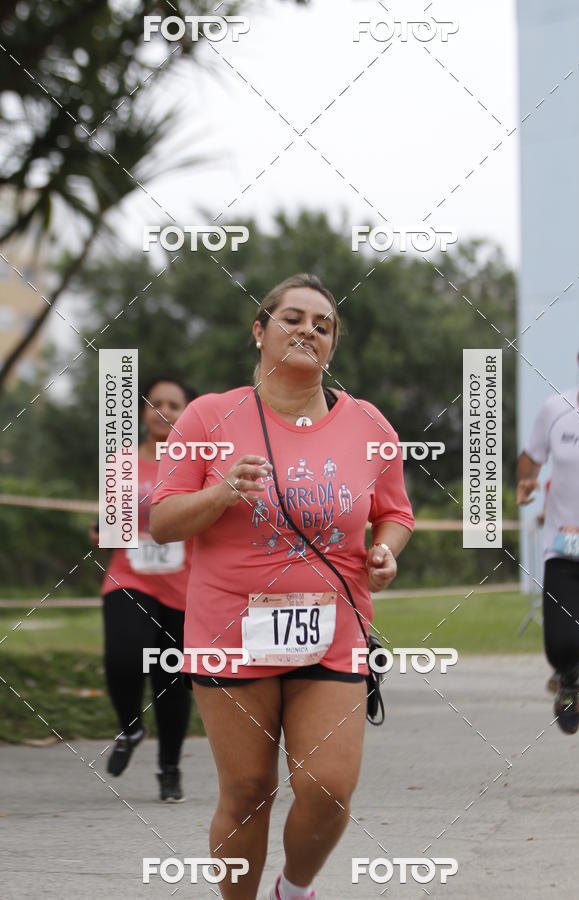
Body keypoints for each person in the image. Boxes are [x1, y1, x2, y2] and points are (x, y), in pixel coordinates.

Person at [150, 273, 414, 899]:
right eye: (293, 318)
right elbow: (162, 519)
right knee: (247, 792)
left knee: (328, 786)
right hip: (229, 630)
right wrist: (221, 491)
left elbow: (396, 513)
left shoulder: (368, 423)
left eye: (323, 325)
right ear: (259, 330)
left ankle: (293, 891)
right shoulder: (210, 416)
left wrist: (384, 550)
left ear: (333, 347)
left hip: (334, 627)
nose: (308, 331)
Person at [90, 374, 196, 801]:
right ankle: (131, 727)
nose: (164, 411)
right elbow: (110, 528)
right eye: (156, 403)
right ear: (143, 410)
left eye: (174, 405)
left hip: (183, 587)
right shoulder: (123, 463)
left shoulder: (199, 466)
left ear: (186, 414)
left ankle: (169, 770)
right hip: (128, 578)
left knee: (170, 681)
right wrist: (102, 535)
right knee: (122, 658)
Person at [517, 323, 579, 792]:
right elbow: (530, 460)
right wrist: (525, 483)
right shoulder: (556, 411)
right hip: (566, 552)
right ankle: (569, 677)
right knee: (562, 644)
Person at [538, 481, 579, 693]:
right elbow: (547, 513)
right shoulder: (551, 484)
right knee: (561, 613)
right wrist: (543, 517)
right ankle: (565, 667)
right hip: (566, 552)